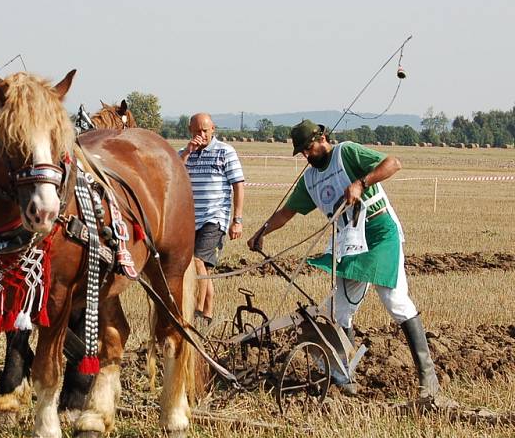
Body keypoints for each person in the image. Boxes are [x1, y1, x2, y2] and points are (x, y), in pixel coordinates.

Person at [247, 119, 443, 401]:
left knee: (395, 301)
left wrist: (361, 183)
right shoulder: (310, 179)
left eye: (309, 148)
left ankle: (428, 377)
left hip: (379, 231)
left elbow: (393, 163)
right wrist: (261, 232)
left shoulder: (346, 153)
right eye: (302, 151)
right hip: (350, 240)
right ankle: (345, 376)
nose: (306, 155)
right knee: (339, 313)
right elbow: (287, 212)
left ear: (323, 137)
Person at [179, 113, 245, 326]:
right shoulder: (184, 153)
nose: (202, 135)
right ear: (190, 131)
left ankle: (197, 312)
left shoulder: (225, 152)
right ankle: (208, 315)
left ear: (213, 129)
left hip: (214, 218)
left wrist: (237, 219)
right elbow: (175, 175)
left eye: (205, 130)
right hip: (190, 219)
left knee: (198, 260)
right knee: (203, 269)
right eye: (197, 131)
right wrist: (188, 152)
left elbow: (238, 185)